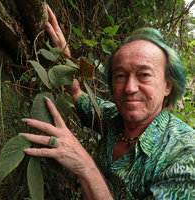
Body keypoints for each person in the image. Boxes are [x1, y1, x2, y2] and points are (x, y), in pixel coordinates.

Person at [20, 5, 195, 200]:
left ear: (168, 86)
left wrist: (85, 166)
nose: (129, 88)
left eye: (144, 75)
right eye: (120, 75)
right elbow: (77, 94)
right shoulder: (114, 119)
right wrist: (63, 55)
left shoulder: (185, 155)